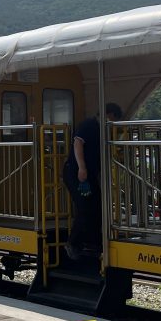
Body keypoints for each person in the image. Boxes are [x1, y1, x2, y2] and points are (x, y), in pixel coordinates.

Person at [63, 102, 123, 260]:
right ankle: (73, 243)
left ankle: (94, 243)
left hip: (87, 175)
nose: (112, 122)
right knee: (85, 205)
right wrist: (81, 168)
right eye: (112, 118)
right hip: (76, 173)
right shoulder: (90, 125)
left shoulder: (101, 129)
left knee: (96, 205)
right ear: (108, 114)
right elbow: (78, 143)